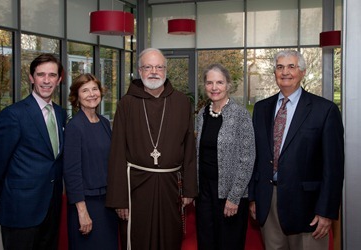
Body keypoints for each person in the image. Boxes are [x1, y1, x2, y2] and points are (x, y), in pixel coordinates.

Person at [248, 50, 344, 250]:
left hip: (308, 207)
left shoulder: (324, 110)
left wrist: (326, 210)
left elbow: (333, 168)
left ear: (303, 72)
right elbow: (256, 156)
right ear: (274, 72)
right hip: (269, 202)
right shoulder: (261, 109)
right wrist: (254, 197)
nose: (285, 72)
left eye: (291, 66)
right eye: (280, 67)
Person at [105, 48, 197, 250]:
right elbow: (117, 152)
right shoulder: (126, 103)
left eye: (159, 67)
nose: (154, 71)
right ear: (140, 71)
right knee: (139, 239)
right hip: (135, 188)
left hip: (171, 186)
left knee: (169, 239)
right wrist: (120, 199)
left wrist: (189, 188)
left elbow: (190, 147)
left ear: (166, 70)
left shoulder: (181, 102)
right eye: (148, 67)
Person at [0, 53, 66, 250]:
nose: (46, 81)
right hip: (19, 210)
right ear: (31, 78)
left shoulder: (60, 113)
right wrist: (8, 198)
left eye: (52, 75)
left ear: (59, 79)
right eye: (41, 75)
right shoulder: (13, 115)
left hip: (52, 209)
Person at [195, 63, 255, 250]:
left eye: (219, 82)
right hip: (204, 192)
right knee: (206, 242)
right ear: (204, 86)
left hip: (230, 194)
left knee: (229, 243)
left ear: (228, 85)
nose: (214, 87)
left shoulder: (241, 115)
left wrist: (234, 197)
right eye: (209, 82)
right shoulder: (202, 115)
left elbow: (247, 159)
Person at [63, 73, 118, 250]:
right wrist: (82, 212)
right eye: (85, 90)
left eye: (94, 89)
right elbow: (72, 172)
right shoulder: (74, 126)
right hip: (86, 204)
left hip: (107, 204)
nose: (91, 94)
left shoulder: (103, 122)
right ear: (77, 97)